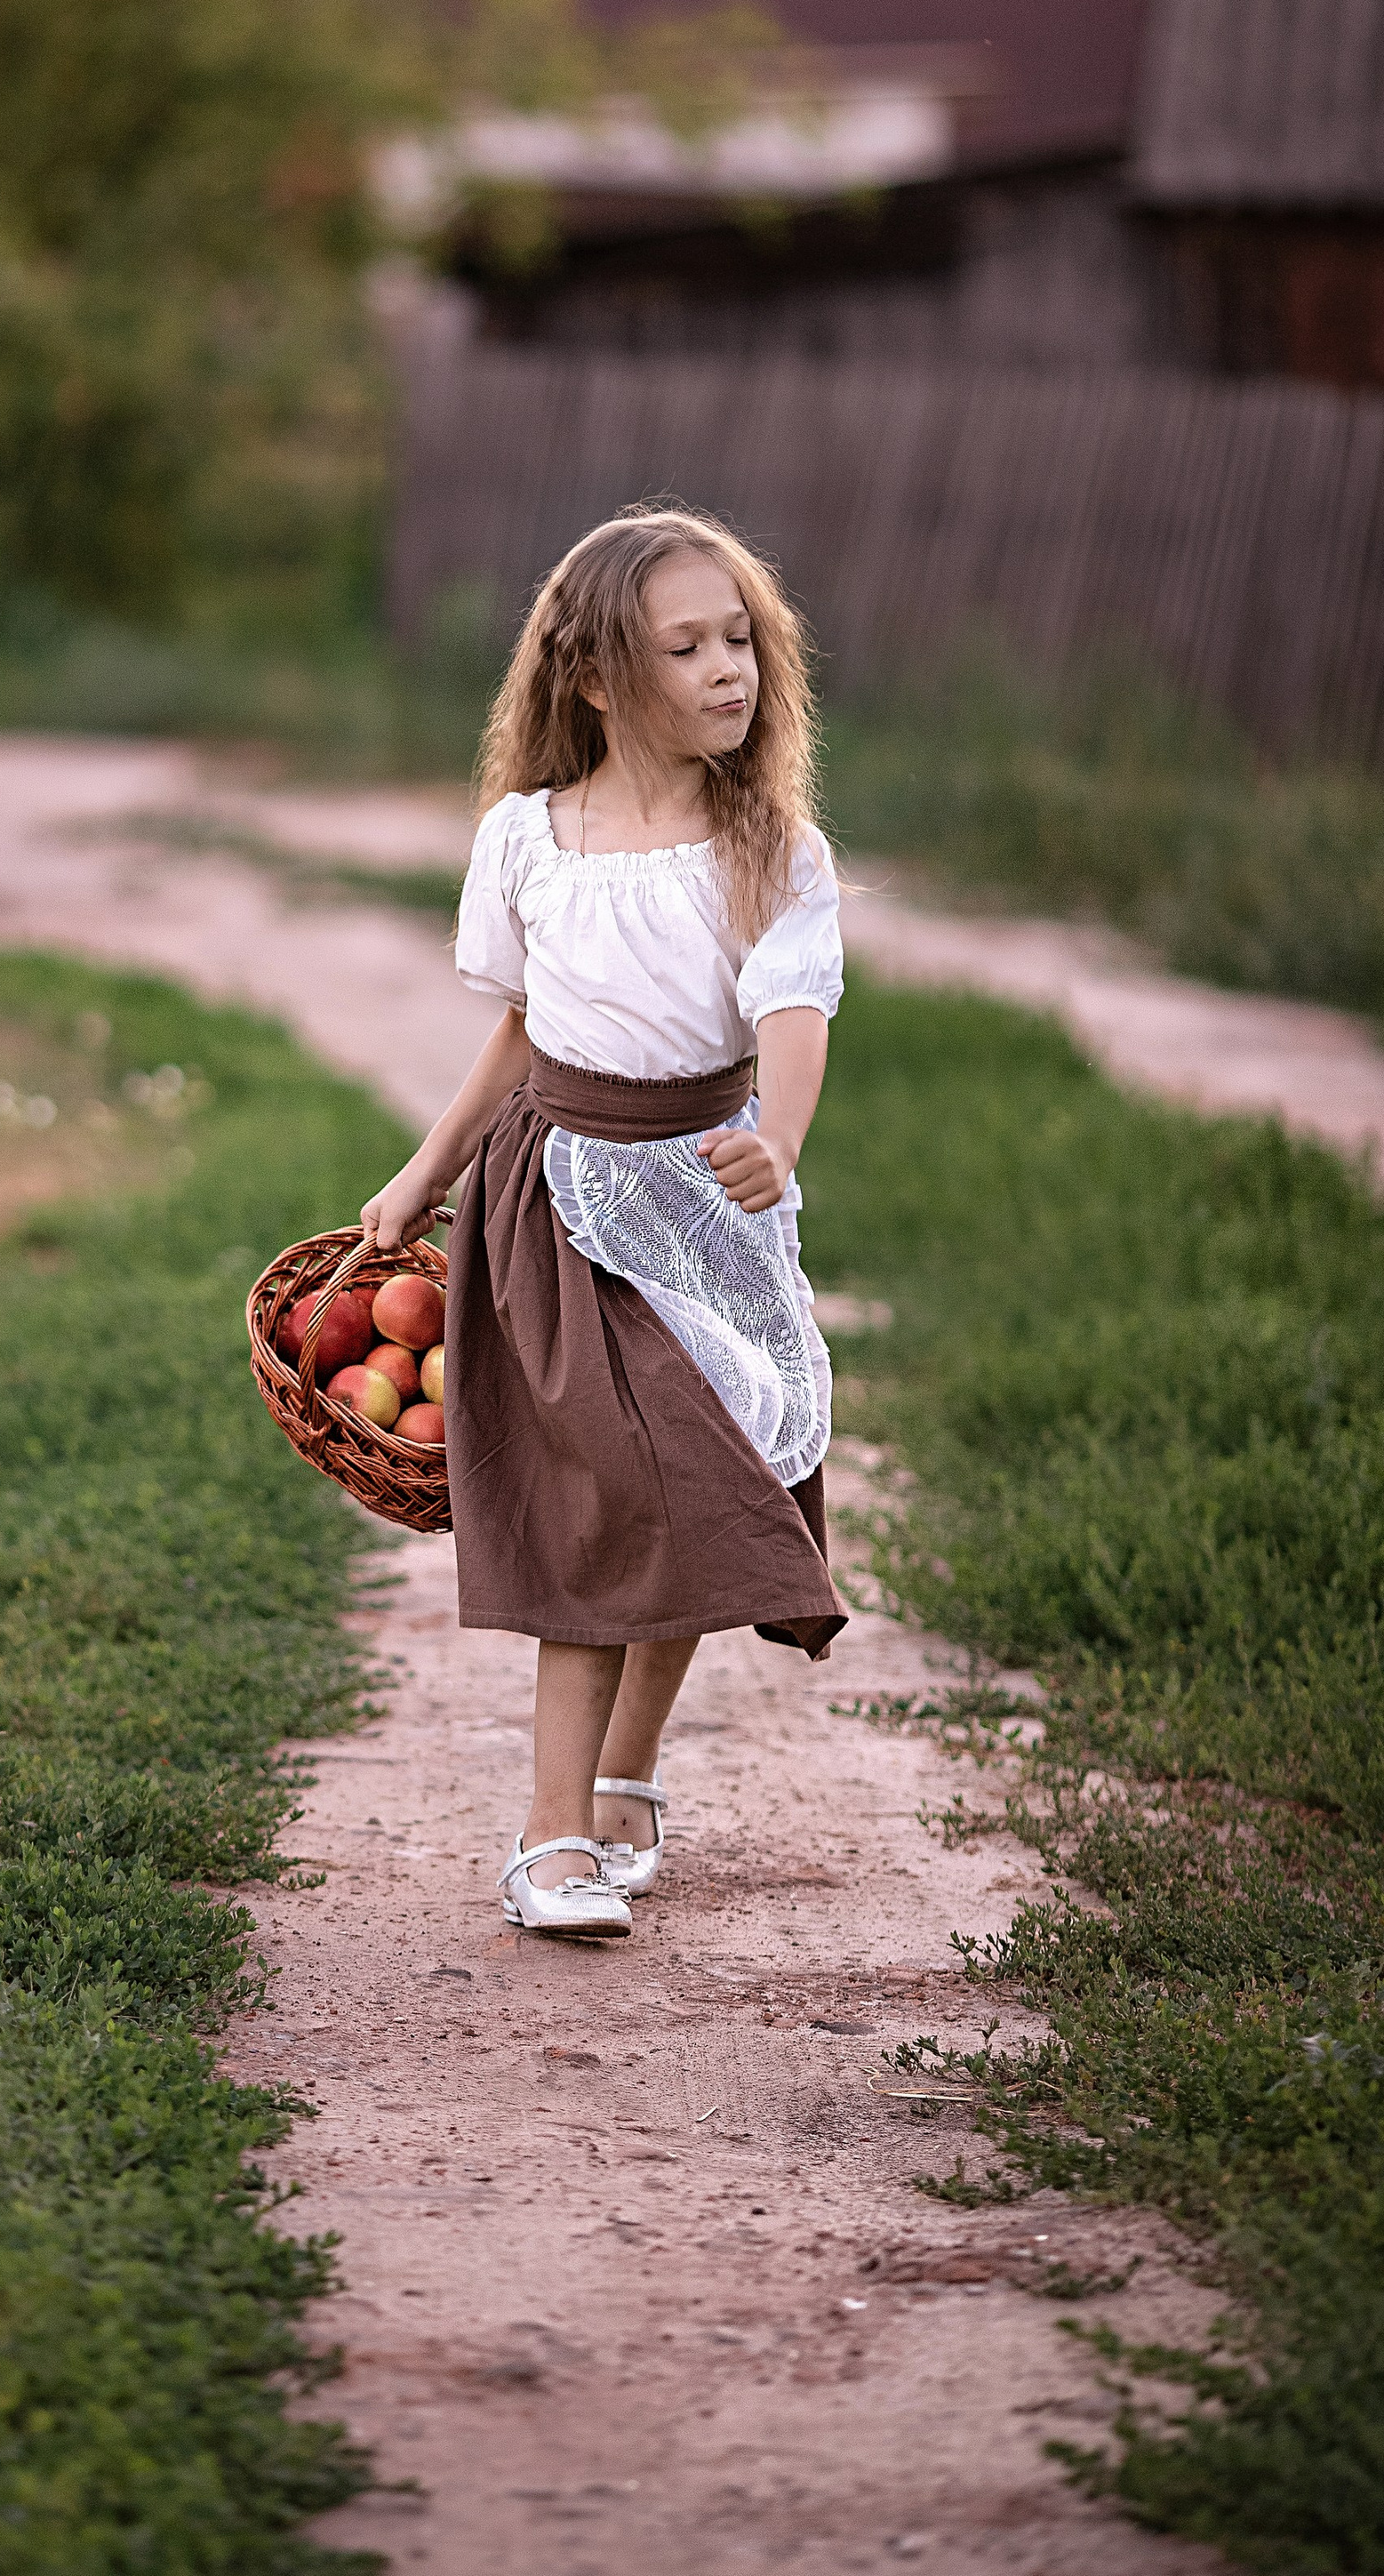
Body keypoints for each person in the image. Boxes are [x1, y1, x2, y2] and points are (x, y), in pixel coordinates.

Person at [359, 503, 846, 1942]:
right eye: (683, 646)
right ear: (591, 676)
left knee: (697, 1483)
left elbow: (794, 1005)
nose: (726, 671)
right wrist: (422, 1172)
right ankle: (552, 1836)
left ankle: (630, 1771)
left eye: (740, 639)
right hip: (558, 1200)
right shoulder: (529, 842)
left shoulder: (768, 844)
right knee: (598, 1505)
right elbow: (518, 1034)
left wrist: (780, 1137)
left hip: (704, 1189)